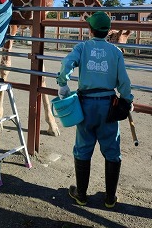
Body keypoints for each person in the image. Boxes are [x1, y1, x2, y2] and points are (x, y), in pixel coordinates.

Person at [56, 11, 134, 208]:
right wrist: (127, 99)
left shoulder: (82, 47)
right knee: (112, 150)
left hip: (86, 105)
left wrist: (63, 84)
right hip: (109, 105)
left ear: (89, 29)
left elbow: (67, 63)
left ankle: (81, 195)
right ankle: (110, 198)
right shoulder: (116, 52)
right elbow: (124, 81)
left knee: (83, 147)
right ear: (108, 31)